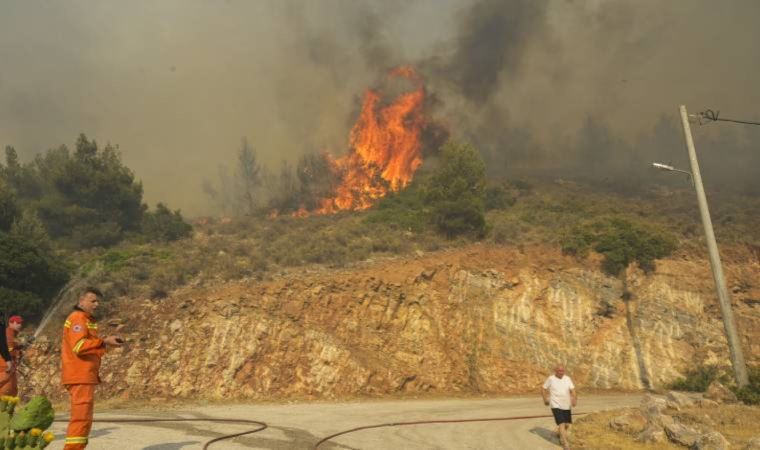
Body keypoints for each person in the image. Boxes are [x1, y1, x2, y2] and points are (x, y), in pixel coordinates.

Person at [62, 287, 123, 450]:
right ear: (81, 301)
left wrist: (105, 343)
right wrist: (104, 341)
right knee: (81, 419)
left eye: (98, 301)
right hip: (79, 375)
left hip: (84, 375)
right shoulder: (78, 318)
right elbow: (79, 346)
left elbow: (88, 347)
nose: (97, 304)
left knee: (84, 419)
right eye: (93, 301)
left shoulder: (85, 319)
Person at [542, 365, 577, 450]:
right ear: (555, 371)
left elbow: (573, 390)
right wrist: (545, 399)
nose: (561, 372)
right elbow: (543, 388)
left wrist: (574, 399)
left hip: (566, 404)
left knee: (567, 424)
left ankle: (559, 433)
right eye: (559, 371)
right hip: (555, 404)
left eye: (563, 371)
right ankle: (565, 443)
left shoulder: (567, 378)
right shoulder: (551, 379)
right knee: (561, 423)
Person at [0, 315, 24, 396]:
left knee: (12, 390)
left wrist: (20, 347)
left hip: (9, 367)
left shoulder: (12, 334)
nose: (20, 325)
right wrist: (18, 351)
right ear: (10, 323)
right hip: (4, 367)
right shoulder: (8, 333)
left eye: (20, 323)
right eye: (17, 323)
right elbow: (9, 350)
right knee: (7, 390)